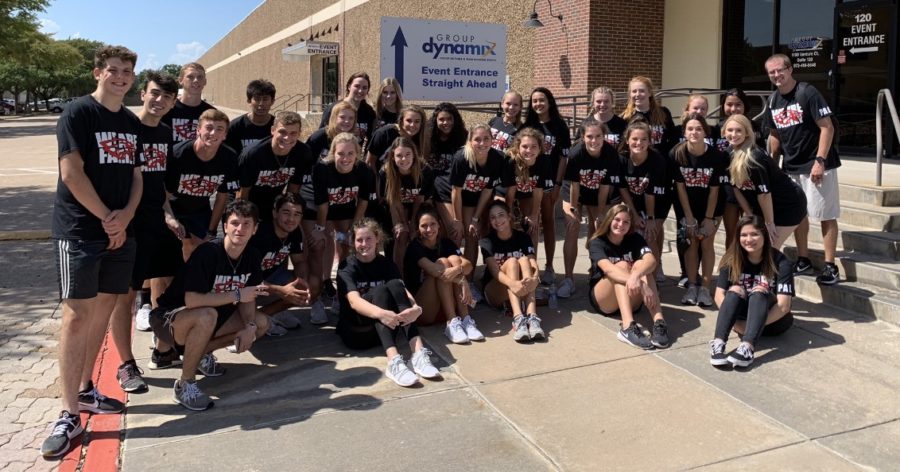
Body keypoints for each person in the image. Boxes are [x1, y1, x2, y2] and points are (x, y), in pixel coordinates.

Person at [42, 45, 142, 459]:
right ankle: (67, 415)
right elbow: (71, 172)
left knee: (102, 313)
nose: (120, 77)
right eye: (113, 70)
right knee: (78, 317)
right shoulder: (78, 113)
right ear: (98, 72)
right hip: (81, 231)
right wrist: (106, 217)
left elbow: (137, 177)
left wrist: (125, 218)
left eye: (127, 72)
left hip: (118, 232)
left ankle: (85, 391)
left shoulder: (131, 122)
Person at [148, 200, 270, 410]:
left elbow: (249, 298)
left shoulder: (252, 256)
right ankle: (185, 384)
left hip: (210, 315)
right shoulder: (208, 253)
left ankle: (199, 353)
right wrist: (239, 293)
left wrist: (249, 326)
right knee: (207, 315)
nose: (240, 229)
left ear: (255, 228)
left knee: (260, 323)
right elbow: (192, 300)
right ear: (225, 226)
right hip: (170, 316)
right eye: (235, 223)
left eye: (247, 224)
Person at [109, 71, 183, 395]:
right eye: (154, 93)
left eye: (166, 97)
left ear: (173, 102)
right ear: (143, 94)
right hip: (130, 224)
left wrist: (169, 214)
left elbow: (162, 185)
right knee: (124, 296)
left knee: (164, 285)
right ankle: (126, 364)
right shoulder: (126, 128)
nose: (159, 101)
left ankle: (162, 347)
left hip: (157, 220)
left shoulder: (166, 134)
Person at [764, 53, 842, 285]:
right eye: (772, 72)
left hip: (816, 164)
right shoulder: (773, 100)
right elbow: (774, 135)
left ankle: (830, 266)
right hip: (791, 167)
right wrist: (772, 165)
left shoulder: (807, 93)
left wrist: (820, 160)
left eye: (780, 70)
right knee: (799, 214)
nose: (777, 75)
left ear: (790, 70)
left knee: (826, 214)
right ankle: (803, 259)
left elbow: (826, 127)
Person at [336, 218, 440, 387]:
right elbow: (354, 302)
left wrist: (415, 307)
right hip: (358, 333)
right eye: (359, 240)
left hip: (385, 331)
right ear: (353, 242)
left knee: (394, 284)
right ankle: (394, 362)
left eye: (369, 238)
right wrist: (382, 314)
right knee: (381, 291)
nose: (364, 243)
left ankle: (418, 353)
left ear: (378, 239)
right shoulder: (347, 266)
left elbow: (402, 290)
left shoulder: (386, 263)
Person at [305, 133, 376, 325]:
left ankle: (341, 294)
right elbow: (322, 204)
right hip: (318, 207)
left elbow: (362, 202)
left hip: (344, 208)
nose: (345, 158)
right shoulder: (322, 169)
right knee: (318, 244)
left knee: (346, 244)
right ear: (332, 153)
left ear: (357, 155)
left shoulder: (363, 170)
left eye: (350, 153)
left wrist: (355, 229)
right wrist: (320, 228)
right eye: (340, 153)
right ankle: (316, 299)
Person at [710, 215, 795, 368]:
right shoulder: (731, 259)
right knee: (735, 290)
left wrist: (750, 327)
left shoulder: (781, 261)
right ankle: (718, 344)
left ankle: (748, 347)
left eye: (754, 234)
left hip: (772, 322)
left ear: (765, 235)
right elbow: (718, 296)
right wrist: (735, 323)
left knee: (759, 291)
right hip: (741, 320)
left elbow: (783, 306)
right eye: (744, 235)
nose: (749, 239)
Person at [587, 204, 668, 349]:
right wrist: (641, 284)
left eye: (626, 222)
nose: (621, 225)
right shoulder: (597, 242)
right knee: (621, 266)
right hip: (604, 299)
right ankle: (627, 327)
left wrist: (636, 275)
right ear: (609, 220)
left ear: (631, 224)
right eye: (617, 220)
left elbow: (652, 261)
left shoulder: (635, 238)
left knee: (643, 267)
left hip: (630, 296)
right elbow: (609, 270)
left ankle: (659, 322)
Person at [723, 114, 807, 249]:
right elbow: (736, 187)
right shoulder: (727, 154)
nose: (734, 134)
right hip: (764, 206)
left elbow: (764, 194)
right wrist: (749, 214)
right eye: (730, 130)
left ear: (747, 133)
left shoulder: (754, 157)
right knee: (756, 249)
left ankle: (774, 270)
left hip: (787, 204)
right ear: (724, 132)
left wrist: (769, 223)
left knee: (767, 248)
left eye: (739, 130)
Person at [165, 109, 240, 260]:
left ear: (225, 135)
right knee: (170, 257)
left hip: (200, 211)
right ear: (198, 129)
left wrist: (211, 231)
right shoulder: (178, 154)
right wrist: (170, 218)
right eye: (209, 128)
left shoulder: (229, 157)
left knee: (201, 254)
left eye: (219, 129)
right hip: (174, 209)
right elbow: (163, 193)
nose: (213, 133)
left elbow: (222, 196)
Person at [672, 114, 728, 307]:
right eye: (690, 129)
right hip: (686, 206)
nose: (694, 132)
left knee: (706, 243)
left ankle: (705, 288)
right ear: (684, 132)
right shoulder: (677, 154)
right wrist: (688, 217)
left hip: (711, 208)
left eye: (698, 128)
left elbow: (715, 191)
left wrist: (708, 218)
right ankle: (692, 286)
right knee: (691, 243)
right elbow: (679, 187)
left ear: (705, 132)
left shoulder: (715, 156)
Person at [403, 205, 481, 343]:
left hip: (446, 304)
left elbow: (467, 265)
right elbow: (435, 271)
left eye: (432, 224)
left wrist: (459, 271)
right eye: (424, 226)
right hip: (424, 310)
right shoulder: (415, 246)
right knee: (443, 262)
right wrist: (462, 281)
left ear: (439, 224)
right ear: (418, 228)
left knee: (455, 260)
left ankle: (465, 320)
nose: (429, 229)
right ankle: (451, 323)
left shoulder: (446, 243)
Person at [560, 121, 620, 298]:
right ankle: (568, 279)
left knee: (599, 228)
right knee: (572, 227)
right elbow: (574, 186)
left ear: (604, 136)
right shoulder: (576, 152)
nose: (594, 140)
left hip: (597, 192)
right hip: (574, 191)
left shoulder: (610, 153)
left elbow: (604, 187)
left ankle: (595, 271)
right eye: (589, 136)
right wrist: (573, 209)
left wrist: (601, 213)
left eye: (598, 136)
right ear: (582, 137)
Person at [450, 124, 505, 301]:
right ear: (470, 141)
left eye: (486, 139)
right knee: (468, 235)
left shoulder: (496, 158)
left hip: (480, 197)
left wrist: (476, 217)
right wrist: (458, 219)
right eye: (477, 139)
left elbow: (488, 190)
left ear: (492, 139)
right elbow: (456, 192)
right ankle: (466, 280)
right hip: (461, 198)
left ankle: (481, 278)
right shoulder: (461, 158)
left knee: (482, 231)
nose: (482, 143)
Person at [523, 87, 571, 285]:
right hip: (530, 182)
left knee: (549, 223)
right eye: (534, 101)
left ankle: (549, 266)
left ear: (549, 101)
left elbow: (563, 157)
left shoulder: (560, 126)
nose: (538, 104)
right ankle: (531, 265)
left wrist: (558, 184)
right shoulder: (528, 125)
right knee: (531, 224)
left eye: (541, 100)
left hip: (551, 182)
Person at [480, 201, 544, 343]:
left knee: (524, 261)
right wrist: (513, 284)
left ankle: (532, 317)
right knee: (512, 262)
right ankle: (518, 319)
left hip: (520, 288)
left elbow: (533, 262)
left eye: (501, 215)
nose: (497, 220)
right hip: (495, 290)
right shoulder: (487, 241)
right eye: (493, 217)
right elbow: (494, 270)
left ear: (509, 217)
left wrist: (535, 278)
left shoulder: (523, 237)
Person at [246, 192, 310, 333]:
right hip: (246, 285)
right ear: (275, 213)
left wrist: (301, 281)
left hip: (272, 278)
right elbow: (247, 280)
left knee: (314, 282)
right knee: (245, 293)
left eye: (297, 214)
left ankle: (268, 315)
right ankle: (245, 322)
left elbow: (299, 261)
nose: (291, 219)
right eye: (286, 213)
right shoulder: (259, 235)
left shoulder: (294, 231)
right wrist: (282, 291)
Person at [616, 121, 669, 282]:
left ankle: (656, 267)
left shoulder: (657, 161)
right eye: (635, 139)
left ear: (649, 141)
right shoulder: (621, 159)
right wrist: (633, 213)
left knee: (650, 233)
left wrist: (651, 219)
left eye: (643, 139)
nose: (639, 143)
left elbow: (650, 193)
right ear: (627, 140)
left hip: (659, 202)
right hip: (634, 201)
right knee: (632, 232)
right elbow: (623, 188)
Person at [236, 111, 311, 223]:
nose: (287, 137)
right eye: (282, 132)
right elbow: (242, 193)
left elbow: (293, 191)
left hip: (273, 201)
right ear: (272, 130)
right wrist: (244, 219)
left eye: (293, 133)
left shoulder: (302, 152)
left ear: (299, 134)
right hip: (245, 200)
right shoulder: (253, 154)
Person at [380, 137, 433, 269]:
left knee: (418, 232)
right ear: (392, 157)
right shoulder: (386, 172)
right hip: (395, 208)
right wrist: (402, 223)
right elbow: (393, 201)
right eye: (399, 155)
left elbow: (420, 199)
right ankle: (398, 274)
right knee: (401, 234)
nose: (404, 159)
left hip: (418, 207)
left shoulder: (424, 170)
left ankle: (422, 269)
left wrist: (413, 223)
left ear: (414, 154)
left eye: (407, 154)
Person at [502, 127, 552, 248]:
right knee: (506, 219)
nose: (529, 150)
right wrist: (509, 210)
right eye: (524, 146)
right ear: (518, 147)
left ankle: (531, 259)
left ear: (540, 148)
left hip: (527, 193)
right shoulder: (510, 161)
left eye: (534, 146)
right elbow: (511, 189)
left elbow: (538, 190)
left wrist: (534, 215)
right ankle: (511, 253)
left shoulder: (544, 161)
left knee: (533, 224)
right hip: (505, 193)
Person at [426, 102, 468, 241]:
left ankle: (451, 259)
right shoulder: (427, 137)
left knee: (453, 231)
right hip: (432, 188)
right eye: (441, 119)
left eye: (449, 119)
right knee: (442, 232)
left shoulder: (463, 137)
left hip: (453, 187)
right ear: (435, 120)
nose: (446, 123)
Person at [162, 62, 216, 143]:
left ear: (205, 81)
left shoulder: (212, 113)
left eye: (200, 77)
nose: (196, 80)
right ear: (180, 80)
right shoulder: (166, 108)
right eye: (190, 77)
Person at [318, 72, 376, 145]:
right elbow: (321, 135)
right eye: (357, 86)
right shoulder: (333, 108)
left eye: (364, 88)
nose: (360, 90)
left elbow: (370, 139)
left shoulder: (369, 112)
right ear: (349, 87)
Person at [366, 104, 429, 171]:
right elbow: (370, 162)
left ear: (421, 123)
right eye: (408, 120)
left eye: (417, 121)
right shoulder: (384, 134)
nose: (412, 125)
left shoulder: (422, 139)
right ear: (401, 121)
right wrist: (377, 180)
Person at [225, 79, 277, 155]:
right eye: (257, 99)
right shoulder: (234, 126)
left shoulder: (278, 126)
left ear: (272, 101)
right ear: (249, 101)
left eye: (265, 99)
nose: (261, 103)